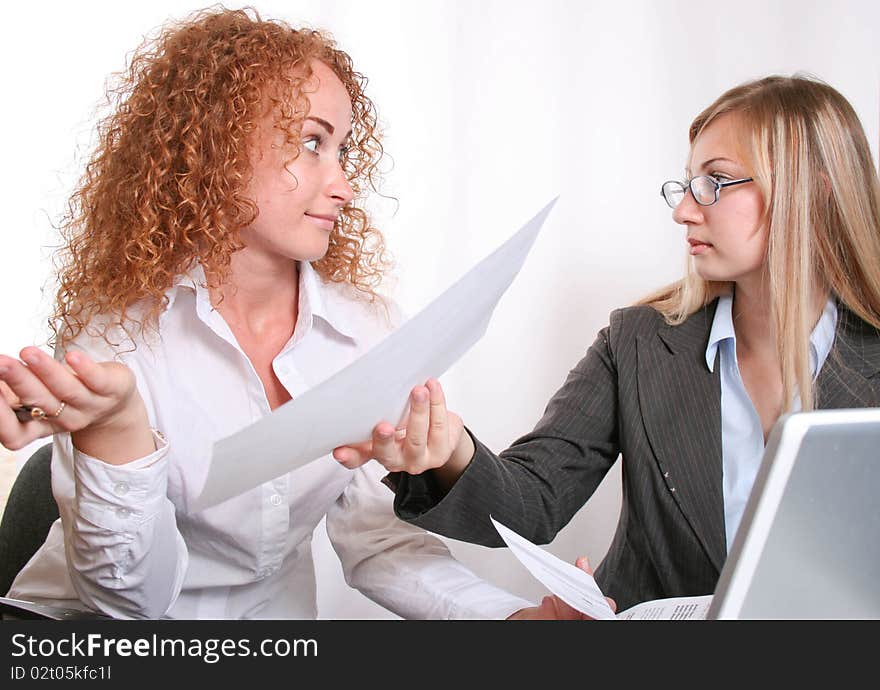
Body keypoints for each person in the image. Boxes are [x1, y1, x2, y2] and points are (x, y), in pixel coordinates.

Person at [0, 6, 550, 620]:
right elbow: (130, 600)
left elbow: (380, 540)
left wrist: (510, 618)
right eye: (311, 143)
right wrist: (117, 434)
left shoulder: (365, 329)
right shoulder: (116, 340)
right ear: (216, 148)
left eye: (342, 149)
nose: (342, 184)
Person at [334, 74, 880, 612]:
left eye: (715, 181)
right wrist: (451, 451)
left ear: (814, 188)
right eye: (686, 184)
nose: (684, 210)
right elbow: (531, 504)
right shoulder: (638, 343)